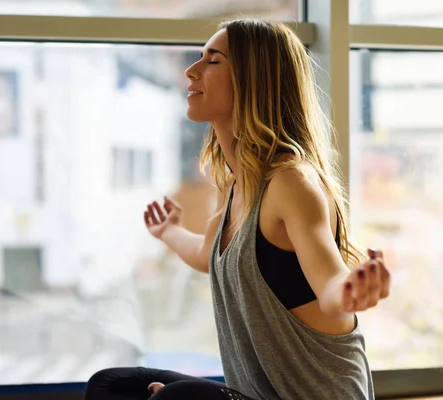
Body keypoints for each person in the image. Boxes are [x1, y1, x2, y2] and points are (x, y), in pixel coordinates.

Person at [84, 19, 389, 400]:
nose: (191, 71)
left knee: (174, 399)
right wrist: (169, 231)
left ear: (254, 80)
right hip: (254, 395)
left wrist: (349, 291)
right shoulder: (235, 184)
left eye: (213, 61)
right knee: (110, 387)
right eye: (199, 58)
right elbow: (208, 253)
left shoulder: (291, 182)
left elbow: (328, 281)